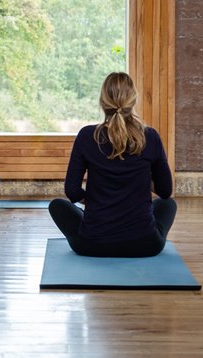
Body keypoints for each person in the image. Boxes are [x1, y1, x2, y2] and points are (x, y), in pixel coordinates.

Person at [48, 72, 177, 257]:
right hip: (145, 245)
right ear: (133, 101)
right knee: (168, 205)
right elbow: (165, 192)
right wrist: (140, 185)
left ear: (102, 102)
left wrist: (94, 201)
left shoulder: (86, 136)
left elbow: (72, 191)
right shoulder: (150, 136)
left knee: (57, 205)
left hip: (91, 245)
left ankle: (98, 222)